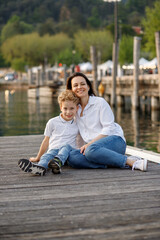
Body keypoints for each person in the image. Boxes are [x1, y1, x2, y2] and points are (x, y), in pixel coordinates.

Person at [66, 72, 148, 171]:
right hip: (95, 150)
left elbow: (109, 128)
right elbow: (78, 135)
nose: (79, 87)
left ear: (88, 86)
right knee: (72, 157)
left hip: (114, 141)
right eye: (75, 85)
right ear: (71, 90)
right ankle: (111, 163)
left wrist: (89, 144)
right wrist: (80, 148)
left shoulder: (99, 103)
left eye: (82, 84)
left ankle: (131, 162)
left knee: (90, 150)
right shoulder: (74, 109)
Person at [18, 90, 80, 176]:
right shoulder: (52, 122)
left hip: (68, 153)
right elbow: (46, 140)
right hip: (54, 150)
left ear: (77, 108)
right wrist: (38, 157)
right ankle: (40, 168)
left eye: (72, 108)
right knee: (46, 157)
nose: (68, 112)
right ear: (61, 107)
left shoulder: (78, 123)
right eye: (65, 108)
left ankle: (57, 162)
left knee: (66, 146)